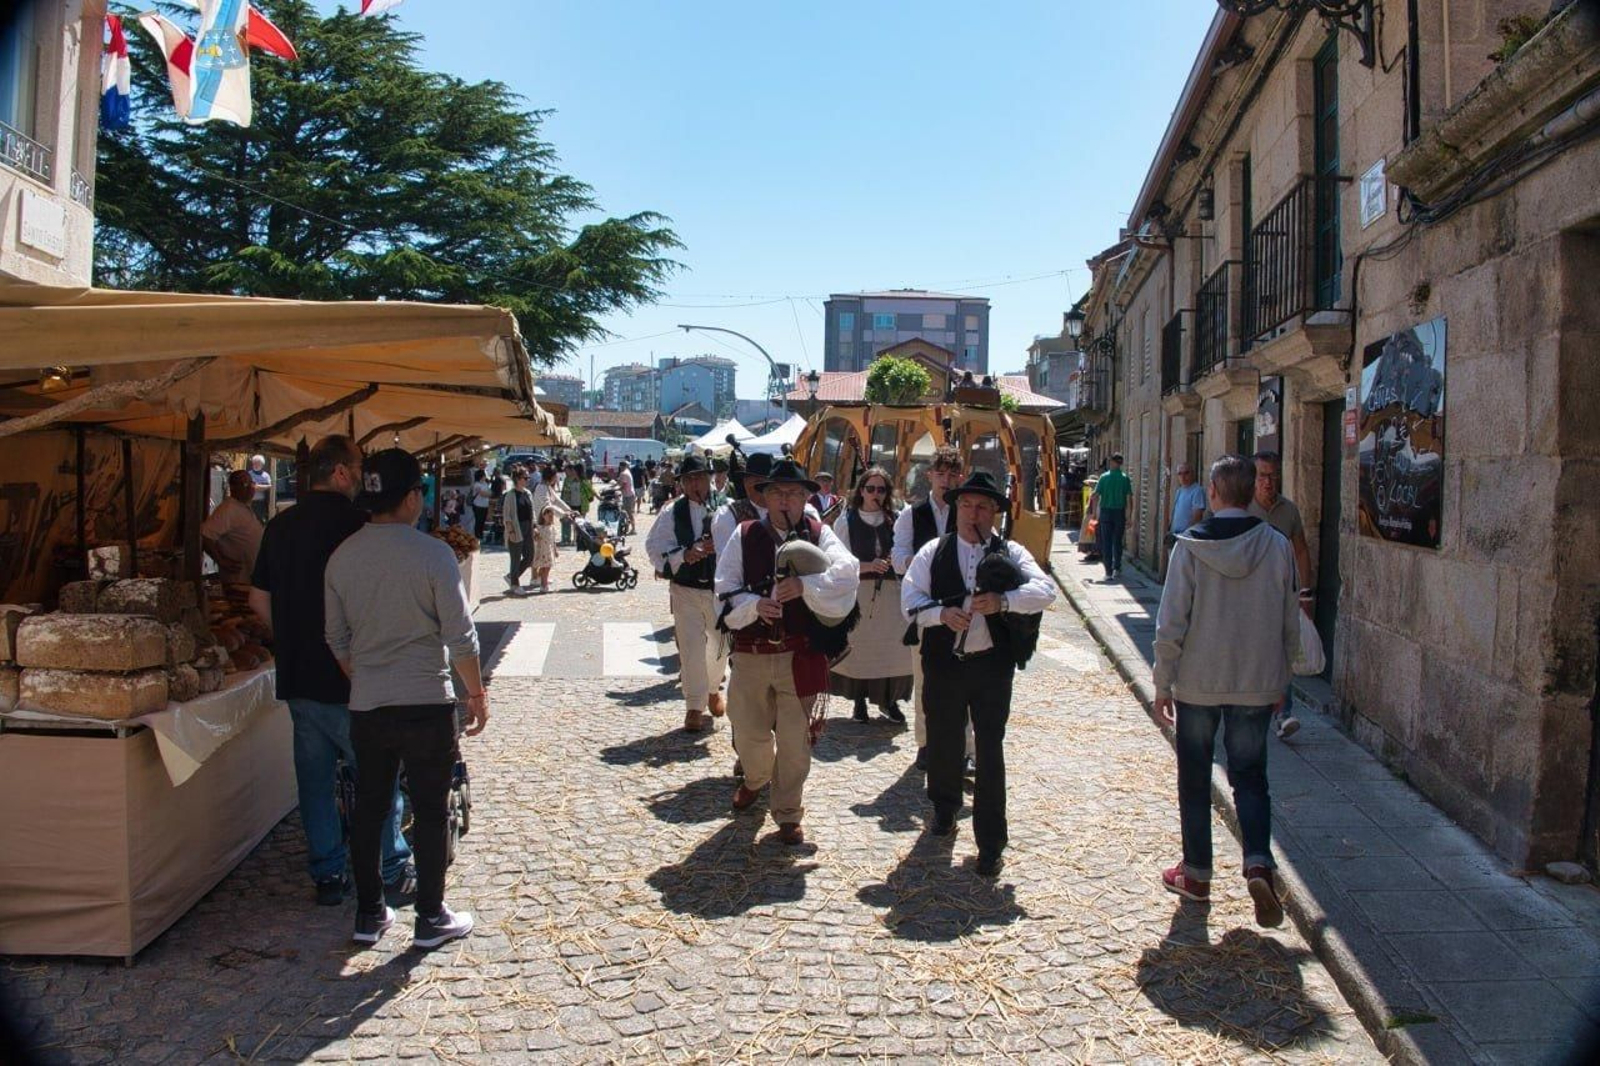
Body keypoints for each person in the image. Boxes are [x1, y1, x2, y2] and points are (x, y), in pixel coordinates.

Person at [324, 448, 489, 949]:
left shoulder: (343, 556)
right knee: (431, 808)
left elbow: (336, 638)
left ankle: (370, 913)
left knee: (371, 806)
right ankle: (430, 915)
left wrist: (368, 674)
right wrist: (477, 694)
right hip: (426, 697)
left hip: (369, 702)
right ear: (413, 497)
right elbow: (461, 638)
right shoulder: (432, 554)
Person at [248, 435, 413, 907]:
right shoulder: (363, 526)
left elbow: (257, 599)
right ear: (341, 473)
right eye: (359, 467)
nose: (363, 476)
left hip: (299, 674)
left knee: (315, 780)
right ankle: (388, 865)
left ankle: (327, 873)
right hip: (356, 676)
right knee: (376, 777)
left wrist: (292, 632)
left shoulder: (279, 526)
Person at [1152, 454, 1299, 928]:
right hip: (1255, 682)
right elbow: (1288, 618)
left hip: (1198, 680)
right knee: (1251, 777)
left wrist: (1162, 681)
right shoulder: (1276, 545)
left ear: (1213, 493)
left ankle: (1196, 874)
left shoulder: (1190, 547)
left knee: (1195, 777)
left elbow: (1171, 621)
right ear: (1250, 491)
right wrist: (1283, 679)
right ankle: (1258, 861)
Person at [902, 470, 1056, 877]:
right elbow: (910, 599)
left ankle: (990, 843)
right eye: (967, 504)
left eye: (983, 506)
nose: (974, 513)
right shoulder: (933, 552)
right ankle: (944, 808)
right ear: (956, 508)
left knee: (990, 751)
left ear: (995, 513)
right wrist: (940, 613)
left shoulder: (1012, 552)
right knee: (944, 740)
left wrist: (1004, 601)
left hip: (991, 666)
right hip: (944, 664)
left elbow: (1046, 592)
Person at [715, 458, 859, 846]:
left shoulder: (818, 532)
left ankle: (788, 812)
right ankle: (756, 778)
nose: (786, 501)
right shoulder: (744, 534)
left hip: (800, 654)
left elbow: (848, 572)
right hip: (751, 653)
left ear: (805, 499)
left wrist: (807, 586)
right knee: (749, 734)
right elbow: (724, 588)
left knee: (795, 744)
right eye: (778, 493)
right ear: (764, 498)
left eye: (795, 494)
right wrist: (754, 605)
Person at [891, 445, 972, 773]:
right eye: (941, 473)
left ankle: (964, 749)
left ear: (961, 477)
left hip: (962, 608)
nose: (947, 480)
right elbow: (897, 558)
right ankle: (925, 743)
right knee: (926, 680)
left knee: (965, 682)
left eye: (953, 474)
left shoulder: (967, 511)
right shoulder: (912, 514)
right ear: (929, 476)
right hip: (925, 607)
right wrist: (925, 561)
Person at [645, 455, 728, 733]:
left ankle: (714, 689)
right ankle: (694, 705)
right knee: (691, 647)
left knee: (719, 646)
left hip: (719, 590)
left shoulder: (727, 508)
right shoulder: (671, 512)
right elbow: (654, 547)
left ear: (709, 479)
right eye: (689, 479)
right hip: (686, 590)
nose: (695, 484)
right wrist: (684, 555)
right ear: (681, 483)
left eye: (700, 478)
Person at [830, 466, 911, 724]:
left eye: (881, 489)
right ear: (861, 491)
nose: (875, 494)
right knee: (861, 647)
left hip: (891, 593)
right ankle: (859, 701)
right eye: (870, 488)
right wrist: (867, 566)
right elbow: (838, 559)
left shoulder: (897, 519)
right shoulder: (847, 520)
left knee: (892, 647)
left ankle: (889, 700)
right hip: (860, 591)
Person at [1249, 450, 1315, 740]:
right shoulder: (1242, 508)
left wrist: (1305, 594)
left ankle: (1283, 714)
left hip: (1280, 595)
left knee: (1282, 652)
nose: (1268, 481)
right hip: (1247, 597)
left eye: (1273, 475)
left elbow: (1300, 549)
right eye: (1262, 475)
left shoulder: (1288, 511)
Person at [202, 469, 264, 584]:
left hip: (251, 578)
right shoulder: (228, 509)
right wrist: (221, 561)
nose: (250, 487)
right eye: (245, 484)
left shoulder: (244, 507)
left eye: (251, 483)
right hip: (238, 580)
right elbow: (205, 535)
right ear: (233, 487)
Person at [1091, 453, 1133, 579]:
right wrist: (1129, 516)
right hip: (1119, 513)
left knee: (1106, 542)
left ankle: (1108, 572)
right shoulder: (1125, 478)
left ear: (1113, 462)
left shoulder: (1104, 477)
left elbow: (1095, 496)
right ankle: (1117, 568)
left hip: (1106, 512)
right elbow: (1129, 498)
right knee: (1117, 542)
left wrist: (1094, 513)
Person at [502, 468, 537, 595]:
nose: (528, 480)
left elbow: (532, 511)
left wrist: (534, 526)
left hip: (528, 527)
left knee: (529, 556)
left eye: (528, 478)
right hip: (516, 528)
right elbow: (507, 515)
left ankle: (511, 576)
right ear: (517, 479)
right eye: (525, 478)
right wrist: (510, 530)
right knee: (515, 558)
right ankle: (515, 584)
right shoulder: (510, 495)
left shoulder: (527, 493)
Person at [1169, 463, 1206, 542]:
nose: (1183, 477)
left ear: (1192, 474)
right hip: (1175, 535)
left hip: (1186, 537)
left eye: (1186, 473)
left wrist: (1186, 535)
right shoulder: (1179, 491)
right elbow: (1175, 512)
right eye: (1180, 474)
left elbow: (1197, 516)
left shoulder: (1197, 491)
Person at [531, 505, 559, 593]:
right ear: (543, 516)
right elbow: (535, 538)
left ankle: (543, 582)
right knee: (545, 568)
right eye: (549, 516)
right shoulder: (539, 528)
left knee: (547, 568)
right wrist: (536, 534)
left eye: (552, 516)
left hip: (549, 551)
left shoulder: (552, 527)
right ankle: (544, 585)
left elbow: (553, 540)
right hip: (541, 551)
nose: (551, 518)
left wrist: (555, 550)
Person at [559, 462, 586, 546]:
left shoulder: (579, 480)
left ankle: (577, 539)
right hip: (566, 503)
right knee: (565, 521)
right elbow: (564, 491)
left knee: (577, 523)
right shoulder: (567, 479)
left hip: (575, 504)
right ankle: (565, 538)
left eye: (567, 470)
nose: (565, 472)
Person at [247, 454, 272, 522]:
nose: (256, 465)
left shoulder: (266, 475)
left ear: (262, 464)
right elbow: (251, 487)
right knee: (250, 521)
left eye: (258, 463)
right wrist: (262, 486)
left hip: (261, 503)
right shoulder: (248, 474)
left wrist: (257, 486)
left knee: (260, 521)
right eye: (254, 463)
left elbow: (269, 486)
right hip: (250, 502)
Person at [469, 467, 492, 539]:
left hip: (485, 505)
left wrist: (488, 493)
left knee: (482, 520)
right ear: (481, 476)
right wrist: (488, 493)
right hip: (478, 505)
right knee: (478, 520)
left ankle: (480, 534)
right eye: (484, 475)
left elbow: (489, 492)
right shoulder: (476, 484)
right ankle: (477, 535)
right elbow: (483, 494)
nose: (485, 477)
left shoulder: (485, 483)